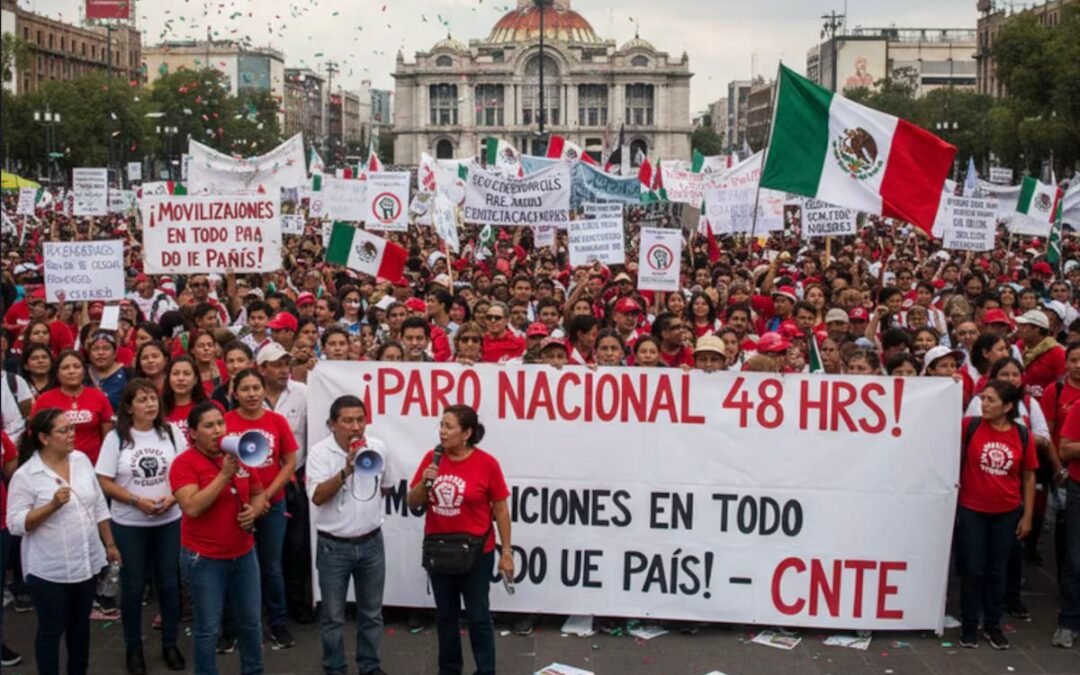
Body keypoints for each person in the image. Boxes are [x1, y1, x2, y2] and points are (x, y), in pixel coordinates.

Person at [6, 408, 122, 675]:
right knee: (50, 630)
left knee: (80, 629)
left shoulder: (81, 460)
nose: (72, 435)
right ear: (45, 438)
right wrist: (50, 506)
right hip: (49, 570)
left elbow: (98, 506)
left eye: (72, 428)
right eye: (64, 430)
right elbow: (16, 523)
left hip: (85, 562)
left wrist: (110, 544)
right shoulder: (27, 475)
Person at [406, 405, 513, 675]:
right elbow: (413, 502)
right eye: (441, 425)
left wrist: (507, 552)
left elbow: (500, 508)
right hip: (439, 551)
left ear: (466, 433)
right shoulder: (433, 458)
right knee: (445, 617)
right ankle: (449, 670)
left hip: (477, 553)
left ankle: (485, 670)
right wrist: (424, 483)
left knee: (479, 617)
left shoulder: (487, 463)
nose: (442, 431)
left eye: (449, 426)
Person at [95, 380, 186, 674]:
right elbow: (104, 481)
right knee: (133, 587)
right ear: (129, 406)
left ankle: (170, 643)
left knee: (169, 583)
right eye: (142, 399)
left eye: (153, 398)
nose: (150, 404)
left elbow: (186, 470)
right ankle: (133, 648)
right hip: (129, 523)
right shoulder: (117, 438)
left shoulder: (170, 433)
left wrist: (173, 498)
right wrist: (136, 501)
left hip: (168, 521)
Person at [169, 401, 266, 675]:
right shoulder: (183, 464)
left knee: (251, 623)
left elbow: (259, 493)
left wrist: (253, 511)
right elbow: (192, 507)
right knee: (208, 629)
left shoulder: (241, 455)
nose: (217, 431)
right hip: (205, 559)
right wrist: (224, 475)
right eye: (208, 426)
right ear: (192, 433)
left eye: (220, 424)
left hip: (244, 553)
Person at [307, 395, 398, 675]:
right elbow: (318, 497)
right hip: (334, 547)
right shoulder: (320, 453)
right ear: (332, 424)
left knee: (371, 613)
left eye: (360, 420)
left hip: (371, 543)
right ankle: (335, 667)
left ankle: (369, 666)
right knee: (333, 616)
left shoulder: (378, 447)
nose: (355, 427)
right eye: (347, 421)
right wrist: (346, 470)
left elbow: (388, 486)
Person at [957, 380, 1037, 650]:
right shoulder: (970, 427)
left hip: (1006, 513)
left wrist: (1027, 516)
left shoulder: (1022, 435)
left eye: (991, 400)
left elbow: (1028, 477)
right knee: (973, 569)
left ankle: (992, 624)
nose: (984, 404)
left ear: (1008, 406)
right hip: (972, 510)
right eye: (983, 398)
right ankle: (969, 625)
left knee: (997, 570)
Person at [224, 368, 299, 649]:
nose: (252, 394)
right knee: (234, 566)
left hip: (273, 504)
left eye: (256, 388)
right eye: (245, 389)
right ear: (235, 393)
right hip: (235, 508)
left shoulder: (276, 421)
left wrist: (265, 496)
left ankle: (278, 623)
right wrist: (250, 503)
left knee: (271, 567)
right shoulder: (226, 422)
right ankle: (232, 627)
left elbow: (289, 461)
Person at [31, 350, 113, 465]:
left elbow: (108, 437)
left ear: (84, 372)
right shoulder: (44, 400)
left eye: (77, 366)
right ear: (57, 374)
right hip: (55, 464)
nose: (71, 371)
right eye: (65, 368)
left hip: (93, 464)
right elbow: (34, 435)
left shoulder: (98, 396)